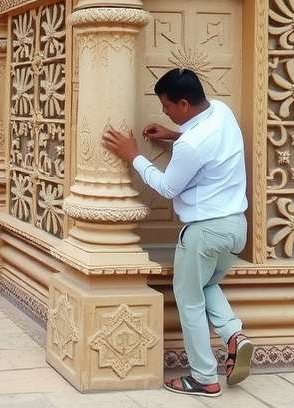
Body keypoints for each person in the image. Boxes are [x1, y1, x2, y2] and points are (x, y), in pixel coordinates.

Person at [101, 68, 253, 398]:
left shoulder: (191, 146)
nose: (165, 110)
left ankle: (204, 377)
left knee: (189, 300)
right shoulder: (222, 112)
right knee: (207, 284)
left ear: (183, 103)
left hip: (204, 232)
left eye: (167, 105)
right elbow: (205, 145)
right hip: (236, 228)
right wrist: (172, 134)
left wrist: (134, 156)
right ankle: (233, 335)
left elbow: (168, 187)